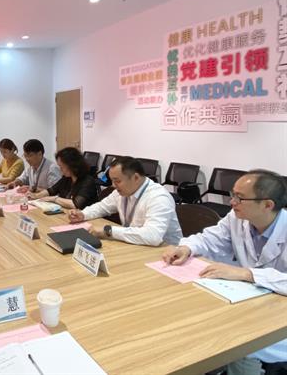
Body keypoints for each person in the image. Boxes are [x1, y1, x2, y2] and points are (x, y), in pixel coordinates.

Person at [162, 170, 287, 375]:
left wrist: (247, 274)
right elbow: (210, 238)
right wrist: (187, 248)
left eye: (240, 197)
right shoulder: (237, 218)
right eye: (232, 194)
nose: (232, 202)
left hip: (279, 317)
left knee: (240, 345)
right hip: (252, 302)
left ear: (267, 205)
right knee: (200, 323)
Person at [69, 156, 183, 246]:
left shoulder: (158, 197)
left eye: (117, 181)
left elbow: (153, 236)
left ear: (136, 178)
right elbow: (102, 207)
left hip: (165, 252)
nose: (113, 185)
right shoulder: (123, 191)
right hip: (137, 245)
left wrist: (109, 230)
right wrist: (83, 214)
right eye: (112, 181)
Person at [28, 147, 98, 209]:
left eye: (62, 166)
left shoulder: (87, 181)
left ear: (71, 165)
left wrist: (55, 199)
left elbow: (76, 204)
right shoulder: (66, 178)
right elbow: (51, 191)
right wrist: (35, 196)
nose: (60, 169)